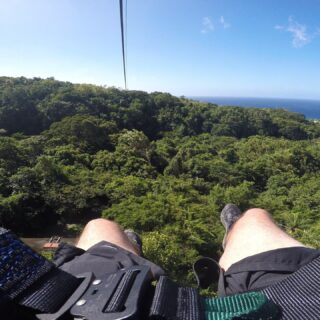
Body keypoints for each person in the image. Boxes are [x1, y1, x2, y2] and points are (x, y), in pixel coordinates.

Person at [54, 204, 319, 299]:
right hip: (288, 294)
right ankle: (233, 234)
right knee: (255, 217)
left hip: (80, 301)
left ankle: (133, 251)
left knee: (99, 225)